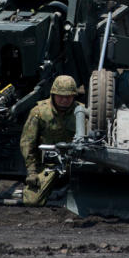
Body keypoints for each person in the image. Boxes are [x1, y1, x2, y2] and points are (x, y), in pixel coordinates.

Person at [19, 75, 82, 206]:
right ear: (53, 94)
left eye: (69, 96)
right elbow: (27, 143)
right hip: (49, 166)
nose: (65, 100)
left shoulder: (81, 112)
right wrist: (31, 171)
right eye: (61, 96)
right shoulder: (39, 112)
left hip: (76, 166)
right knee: (32, 201)